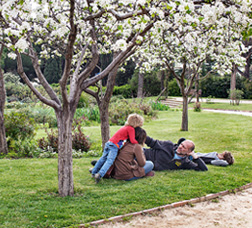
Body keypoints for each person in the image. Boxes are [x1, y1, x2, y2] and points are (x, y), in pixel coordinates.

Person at [91, 113, 144, 183]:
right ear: (136, 123)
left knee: (102, 159)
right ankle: (100, 174)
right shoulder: (131, 129)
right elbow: (132, 140)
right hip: (114, 146)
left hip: (109, 143)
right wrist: (139, 144)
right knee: (110, 161)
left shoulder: (125, 127)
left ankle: (94, 172)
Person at [143, 136, 208, 171]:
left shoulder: (185, 162)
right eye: (181, 144)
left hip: (146, 164)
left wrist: (195, 157)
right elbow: (152, 142)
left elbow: (203, 169)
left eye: (183, 147)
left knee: (149, 166)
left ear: (188, 152)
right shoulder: (168, 145)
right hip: (142, 154)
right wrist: (140, 134)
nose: (180, 147)